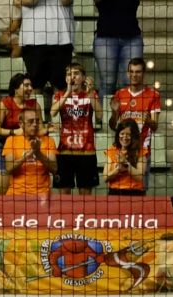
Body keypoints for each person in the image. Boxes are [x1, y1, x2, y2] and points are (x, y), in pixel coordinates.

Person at [108, 57, 159, 190]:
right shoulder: (120, 94)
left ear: (144, 73)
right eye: (131, 72)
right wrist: (114, 113)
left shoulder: (153, 95)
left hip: (142, 150)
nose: (134, 75)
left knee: (141, 187)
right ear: (127, 73)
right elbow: (113, 126)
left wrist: (148, 121)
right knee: (119, 186)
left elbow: (155, 126)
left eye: (138, 72)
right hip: (122, 149)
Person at [51, 62, 100, 197]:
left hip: (87, 151)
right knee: (64, 194)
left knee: (85, 196)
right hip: (65, 151)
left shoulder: (91, 94)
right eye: (69, 74)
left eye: (76, 74)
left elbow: (100, 116)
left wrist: (90, 94)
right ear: (66, 79)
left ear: (83, 78)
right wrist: (67, 92)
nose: (72, 77)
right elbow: (53, 112)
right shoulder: (60, 95)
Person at [0, 73, 40, 195]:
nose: (30, 88)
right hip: (4, 148)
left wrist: (48, 129)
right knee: (4, 193)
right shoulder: (5, 104)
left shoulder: (35, 105)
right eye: (26, 85)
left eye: (31, 85)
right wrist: (13, 132)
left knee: (26, 191)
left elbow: (41, 128)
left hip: (26, 148)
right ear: (16, 89)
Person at [3, 107, 57, 197]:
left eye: (37, 121)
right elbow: (9, 168)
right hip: (16, 194)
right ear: (21, 124)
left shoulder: (49, 141)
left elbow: (54, 169)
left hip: (42, 195)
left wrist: (38, 153)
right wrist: (28, 155)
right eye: (31, 121)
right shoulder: (11, 140)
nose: (35, 124)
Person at [93, 0, 141, 99]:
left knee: (130, 82)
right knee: (107, 83)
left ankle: (129, 114)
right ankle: (106, 114)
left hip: (131, 37)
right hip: (105, 37)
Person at [104, 118, 145, 196]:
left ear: (133, 136)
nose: (125, 137)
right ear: (118, 134)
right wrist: (117, 169)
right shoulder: (112, 150)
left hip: (134, 193)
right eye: (122, 133)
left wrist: (126, 164)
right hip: (115, 192)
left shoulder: (140, 151)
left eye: (128, 134)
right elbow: (105, 178)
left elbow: (139, 177)